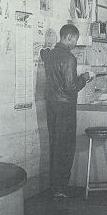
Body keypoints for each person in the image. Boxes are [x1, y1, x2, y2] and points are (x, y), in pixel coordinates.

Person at [40, 24, 92, 198]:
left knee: (55, 144)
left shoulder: (49, 55)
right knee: (66, 147)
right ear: (69, 38)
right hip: (65, 107)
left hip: (51, 104)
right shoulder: (69, 58)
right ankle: (61, 188)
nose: (75, 43)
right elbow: (71, 87)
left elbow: (43, 53)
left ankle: (55, 187)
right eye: (75, 40)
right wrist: (85, 78)